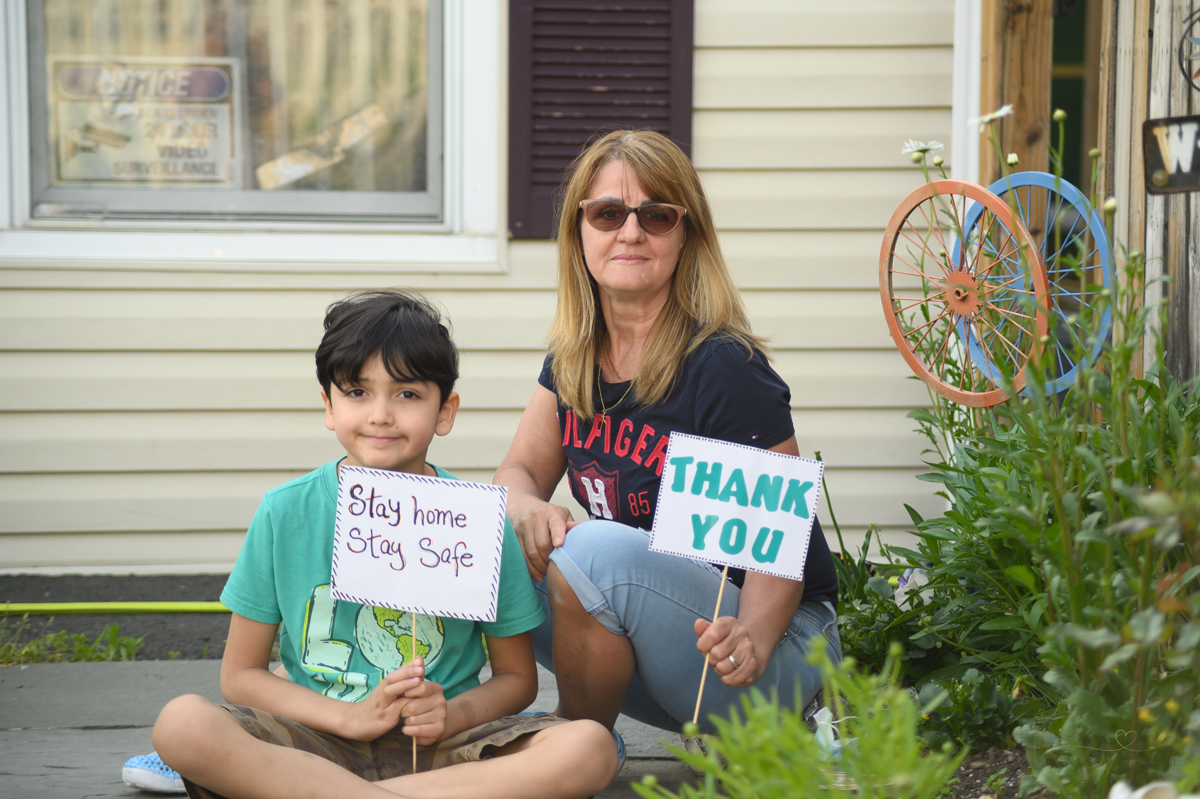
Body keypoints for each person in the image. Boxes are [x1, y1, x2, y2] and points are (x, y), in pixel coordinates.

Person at [147, 290, 618, 799]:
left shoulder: (478, 520)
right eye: (356, 392)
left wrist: (449, 713)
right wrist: (348, 719)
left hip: (447, 747)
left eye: (407, 394)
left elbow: (516, 679)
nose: (380, 414)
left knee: (590, 746)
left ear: (446, 411)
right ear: (328, 405)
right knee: (182, 724)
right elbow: (239, 676)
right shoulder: (285, 512)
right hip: (316, 741)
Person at [493, 129, 842, 736]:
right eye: (607, 213)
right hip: (670, 643)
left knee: (592, 550)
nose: (630, 232)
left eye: (655, 215)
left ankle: (570, 744)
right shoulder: (575, 358)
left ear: (686, 234)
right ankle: (561, 739)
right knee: (487, 546)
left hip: (772, 650)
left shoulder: (724, 366)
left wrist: (753, 635)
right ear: (579, 231)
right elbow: (519, 469)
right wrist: (524, 505)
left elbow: (780, 548)